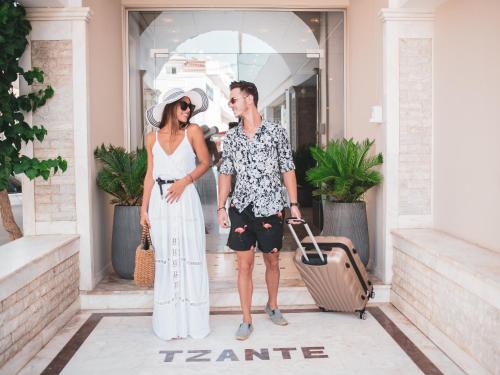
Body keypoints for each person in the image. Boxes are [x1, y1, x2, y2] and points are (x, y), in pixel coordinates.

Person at [217, 81, 302, 340]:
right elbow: (225, 173)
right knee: (244, 265)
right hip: (242, 207)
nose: (230, 105)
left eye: (233, 100)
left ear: (249, 99)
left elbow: (287, 168)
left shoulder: (276, 132)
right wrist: (221, 206)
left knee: (272, 260)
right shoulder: (231, 137)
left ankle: (273, 305)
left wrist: (294, 204)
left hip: (271, 207)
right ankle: (246, 319)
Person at [140, 87, 211, 340]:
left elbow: (206, 162)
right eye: (184, 105)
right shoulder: (151, 138)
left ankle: (192, 324)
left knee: (189, 254)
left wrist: (184, 181)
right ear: (171, 106)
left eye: (190, 106)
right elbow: (149, 175)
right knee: (166, 259)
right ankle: (170, 324)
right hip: (160, 203)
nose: (188, 110)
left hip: (185, 198)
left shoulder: (192, 131)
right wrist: (143, 208)